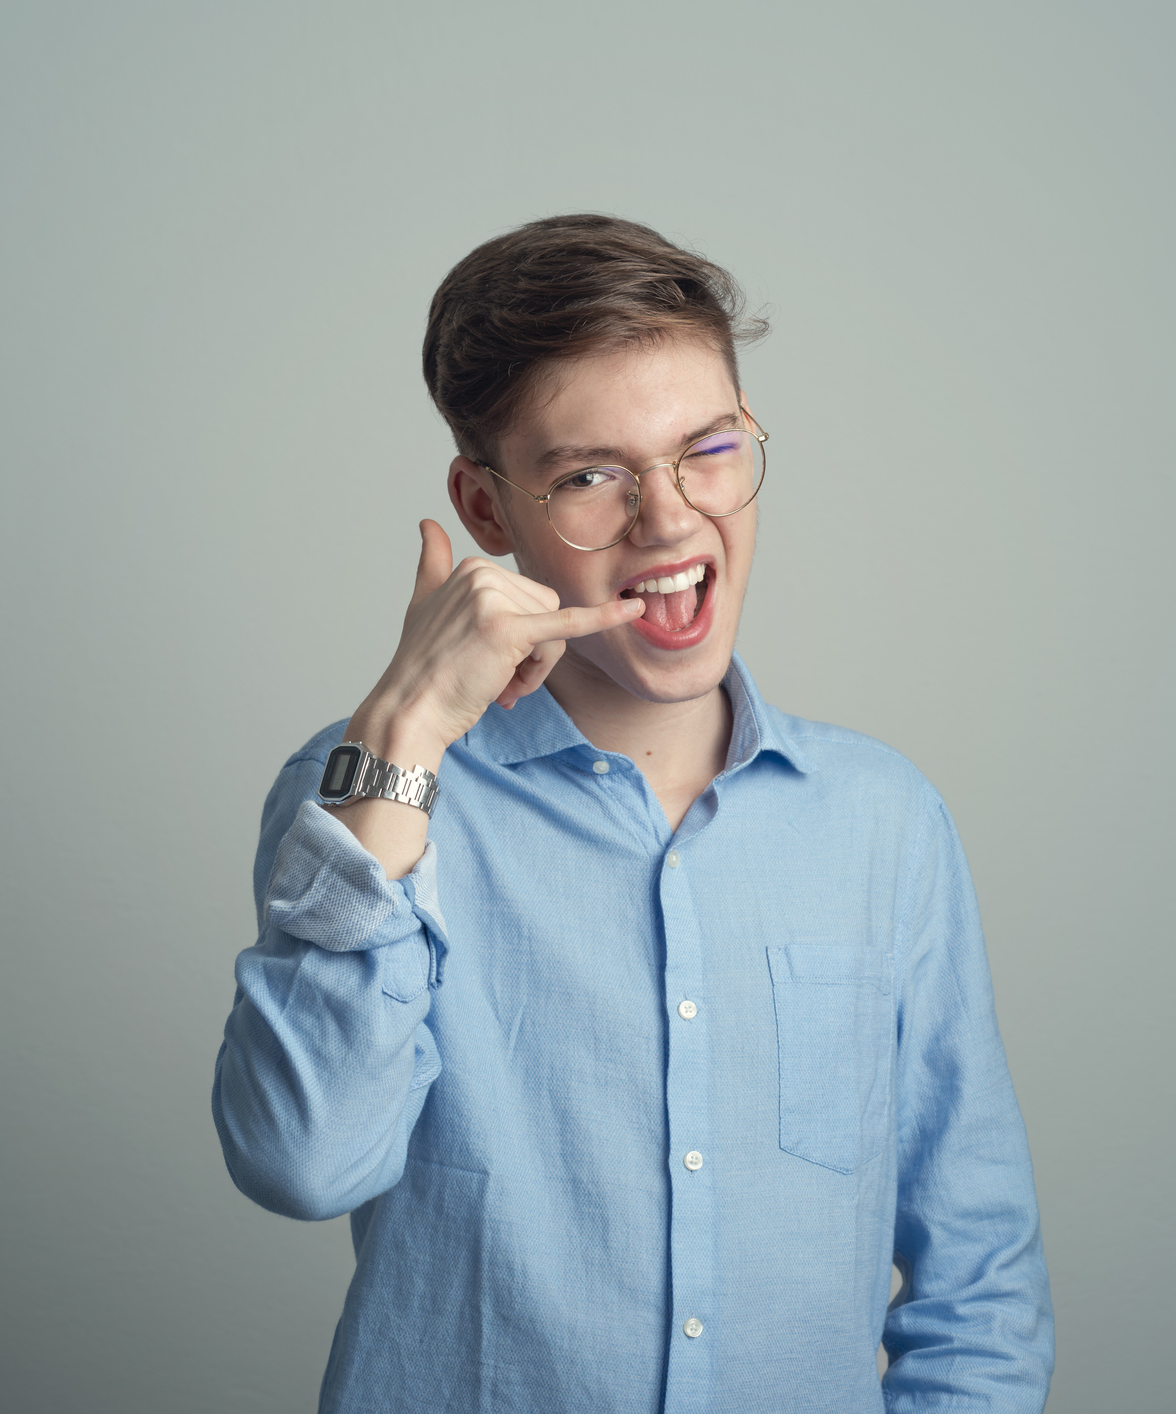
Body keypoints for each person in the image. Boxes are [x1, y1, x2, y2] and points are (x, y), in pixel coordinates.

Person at [211, 214, 1053, 1413]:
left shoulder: (885, 825)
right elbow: (301, 1159)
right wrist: (402, 730)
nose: (668, 520)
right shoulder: (365, 800)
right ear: (486, 509)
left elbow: (979, 1282)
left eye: (706, 450)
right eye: (589, 477)